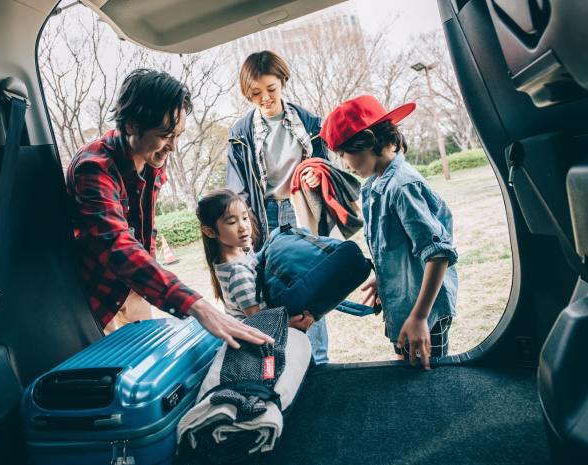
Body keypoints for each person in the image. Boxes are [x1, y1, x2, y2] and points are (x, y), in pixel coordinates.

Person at [66, 68, 272, 349]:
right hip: (97, 298)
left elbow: (140, 237)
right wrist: (195, 304)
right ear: (132, 126)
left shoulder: (152, 161)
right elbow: (118, 246)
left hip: (137, 288)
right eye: (165, 135)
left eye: (178, 134)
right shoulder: (94, 167)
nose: (173, 147)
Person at [321, 95, 459, 370]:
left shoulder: (402, 187)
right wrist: (384, 278)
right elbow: (394, 246)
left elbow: (438, 254)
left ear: (368, 141)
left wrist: (420, 317)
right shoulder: (375, 185)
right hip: (403, 299)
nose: (345, 164)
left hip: (424, 312)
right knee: (406, 370)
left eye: (343, 154)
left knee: (427, 379)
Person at [226, 50, 330, 363]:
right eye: (255, 93)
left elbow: (326, 166)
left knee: (312, 284)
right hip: (264, 213)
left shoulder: (309, 122)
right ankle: (290, 360)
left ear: (282, 82)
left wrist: (316, 171)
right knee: (273, 289)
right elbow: (237, 188)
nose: (264, 98)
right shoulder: (240, 133)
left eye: (270, 89)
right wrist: (245, 226)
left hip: (301, 209)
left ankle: (320, 360)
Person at [196, 189, 314, 331]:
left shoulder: (234, 256)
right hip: (266, 343)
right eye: (232, 222)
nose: (243, 227)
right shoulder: (238, 272)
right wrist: (291, 325)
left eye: (245, 218)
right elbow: (259, 324)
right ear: (210, 231)